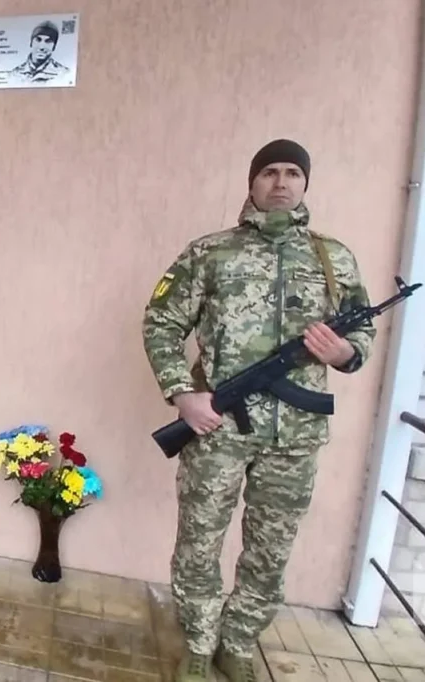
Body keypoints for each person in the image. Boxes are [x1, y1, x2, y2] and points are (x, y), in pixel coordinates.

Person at [141, 139, 375, 682]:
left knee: (270, 549)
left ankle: (239, 644)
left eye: (293, 172)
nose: (281, 182)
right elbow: (161, 322)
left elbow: (362, 327)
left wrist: (345, 353)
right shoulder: (210, 252)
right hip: (217, 429)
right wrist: (183, 394)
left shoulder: (333, 258)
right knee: (200, 541)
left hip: (295, 437)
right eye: (270, 172)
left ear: (305, 183)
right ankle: (199, 643)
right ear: (252, 182)